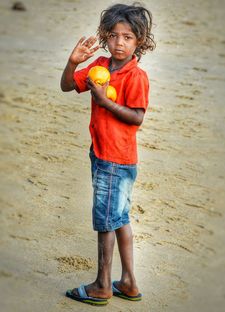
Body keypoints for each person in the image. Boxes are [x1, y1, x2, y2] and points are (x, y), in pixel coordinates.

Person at [60, 3, 155, 306]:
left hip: (116, 160)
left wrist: (104, 101)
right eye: (113, 36)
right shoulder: (99, 67)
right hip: (102, 154)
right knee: (118, 219)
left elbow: (137, 117)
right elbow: (66, 86)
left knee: (105, 222)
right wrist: (72, 63)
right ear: (105, 37)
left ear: (139, 40)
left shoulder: (136, 76)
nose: (119, 43)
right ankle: (127, 282)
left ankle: (103, 285)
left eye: (127, 37)